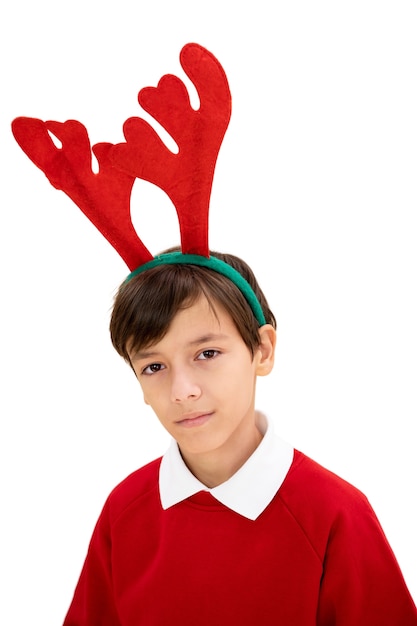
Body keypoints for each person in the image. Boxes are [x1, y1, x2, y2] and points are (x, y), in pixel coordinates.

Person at [61, 248, 417, 626]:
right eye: (154, 366)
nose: (182, 390)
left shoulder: (334, 513)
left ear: (262, 350)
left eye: (207, 353)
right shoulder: (124, 511)